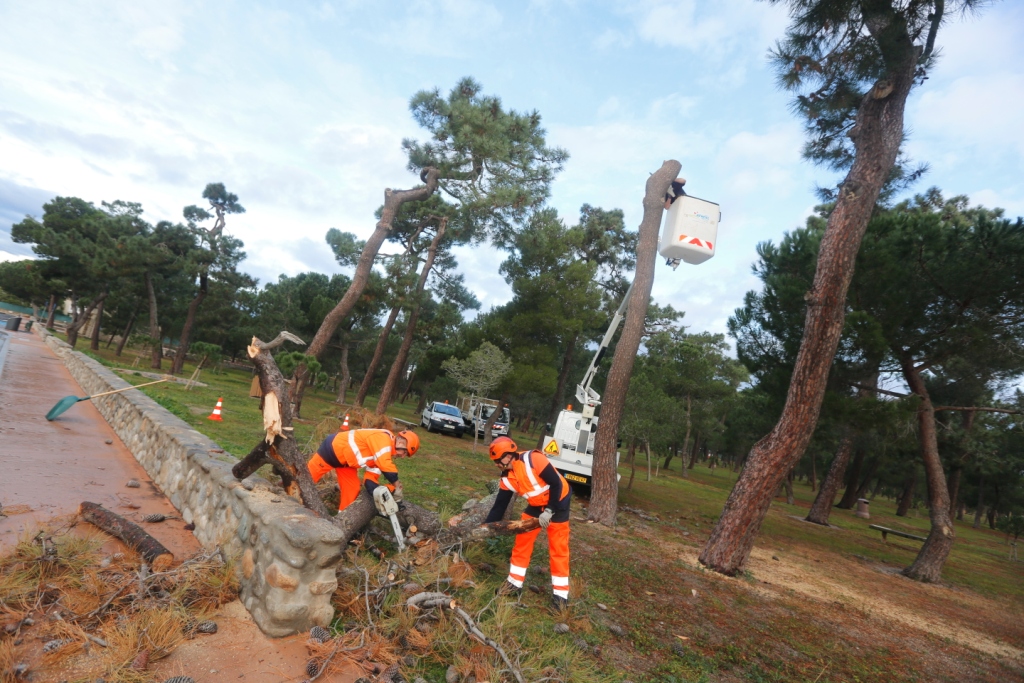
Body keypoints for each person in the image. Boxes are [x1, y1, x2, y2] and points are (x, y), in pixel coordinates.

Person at [484, 436, 572, 610]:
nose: (496, 464)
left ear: (508, 456)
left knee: (558, 548)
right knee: (522, 543)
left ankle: (561, 598)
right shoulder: (507, 478)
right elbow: (499, 506)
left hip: (558, 502)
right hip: (536, 506)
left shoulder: (534, 459)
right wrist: (486, 527)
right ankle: (514, 584)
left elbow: (556, 484)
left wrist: (549, 511)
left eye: (497, 460)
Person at [307, 427, 420, 512]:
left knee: (352, 490)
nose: (403, 456)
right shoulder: (383, 439)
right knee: (305, 479)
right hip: (332, 450)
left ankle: (342, 520)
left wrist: (387, 493)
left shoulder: (382, 454)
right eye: (404, 452)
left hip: (347, 464)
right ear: (400, 442)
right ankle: (291, 505)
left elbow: (370, 481)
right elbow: (385, 465)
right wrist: (397, 484)